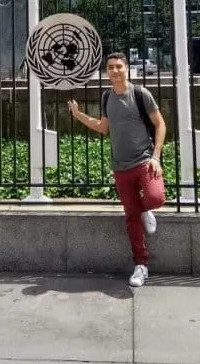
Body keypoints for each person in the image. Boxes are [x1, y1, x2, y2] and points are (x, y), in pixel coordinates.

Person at [67, 52, 166, 287]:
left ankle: (145, 209)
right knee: (130, 217)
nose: (115, 71)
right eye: (111, 67)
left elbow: (160, 123)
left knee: (156, 197)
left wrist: (156, 157)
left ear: (127, 68)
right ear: (106, 71)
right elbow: (103, 128)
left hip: (144, 160)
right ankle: (141, 265)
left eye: (119, 67)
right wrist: (78, 114)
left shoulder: (141, 94)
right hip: (120, 167)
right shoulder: (106, 97)